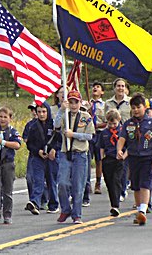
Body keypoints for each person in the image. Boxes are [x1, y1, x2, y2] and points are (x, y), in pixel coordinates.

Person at [116, 93, 152, 226]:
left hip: (147, 157)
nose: (136, 110)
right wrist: (119, 150)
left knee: (145, 183)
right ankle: (139, 211)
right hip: (133, 157)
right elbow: (122, 139)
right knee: (135, 185)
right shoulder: (128, 124)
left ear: (145, 107)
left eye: (138, 107)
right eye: (133, 107)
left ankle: (143, 209)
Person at [55, 90, 95, 224]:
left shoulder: (85, 116)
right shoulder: (64, 114)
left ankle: (77, 214)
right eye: (71, 102)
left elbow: (90, 136)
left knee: (78, 186)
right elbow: (55, 126)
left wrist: (74, 135)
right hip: (65, 153)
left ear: (80, 102)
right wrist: (61, 110)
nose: (73, 105)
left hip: (80, 154)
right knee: (62, 183)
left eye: (76, 102)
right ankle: (65, 209)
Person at [23, 102, 58, 215]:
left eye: (44, 111)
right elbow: (30, 144)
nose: (42, 114)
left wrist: (54, 149)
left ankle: (53, 204)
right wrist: (37, 151)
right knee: (38, 180)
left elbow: (59, 139)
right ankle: (35, 203)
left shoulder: (54, 125)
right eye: (39, 112)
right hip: (38, 157)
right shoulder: (33, 126)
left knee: (51, 181)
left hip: (51, 157)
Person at [106, 78, 131, 202]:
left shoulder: (130, 102)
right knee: (114, 164)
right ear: (114, 87)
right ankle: (116, 188)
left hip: (125, 135)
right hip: (112, 136)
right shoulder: (108, 103)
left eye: (122, 86)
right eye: (118, 86)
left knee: (124, 164)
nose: (120, 88)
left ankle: (122, 188)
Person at [98, 109, 125, 216]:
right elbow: (101, 147)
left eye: (114, 123)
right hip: (108, 158)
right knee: (109, 182)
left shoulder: (122, 131)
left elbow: (127, 146)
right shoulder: (104, 133)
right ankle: (113, 203)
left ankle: (116, 205)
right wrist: (101, 158)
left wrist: (124, 155)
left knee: (116, 180)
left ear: (119, 121)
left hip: (119, 159)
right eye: (110, 123)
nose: (113, 126)